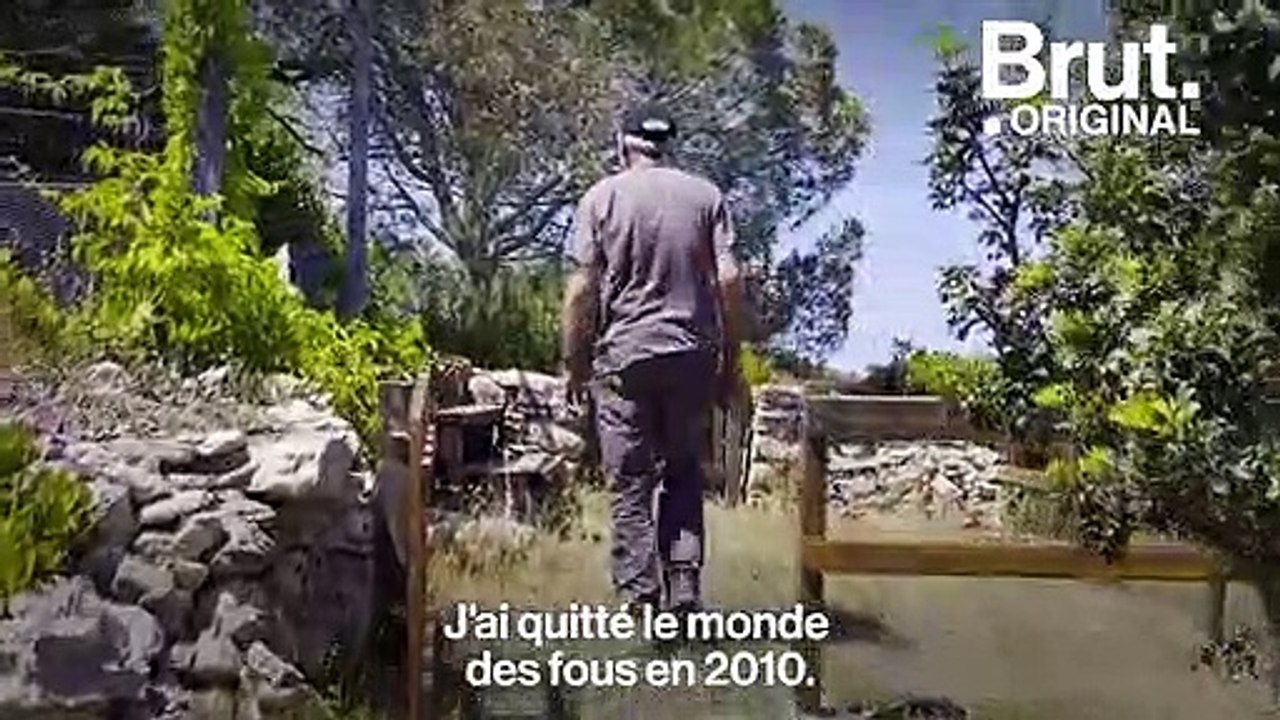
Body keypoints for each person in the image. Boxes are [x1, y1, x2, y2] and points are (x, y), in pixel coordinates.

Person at [560, 105, 748, 614]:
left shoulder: (601, 197)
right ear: (668, 143)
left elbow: (582, 288)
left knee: (629, 478)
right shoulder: (706, 196)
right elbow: (729, 280)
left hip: (625, 356)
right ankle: (683, 585)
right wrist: (730, 362)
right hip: (691, 353)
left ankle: (640, 595)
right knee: (684, 470)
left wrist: (575, 361)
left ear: (624, 143)